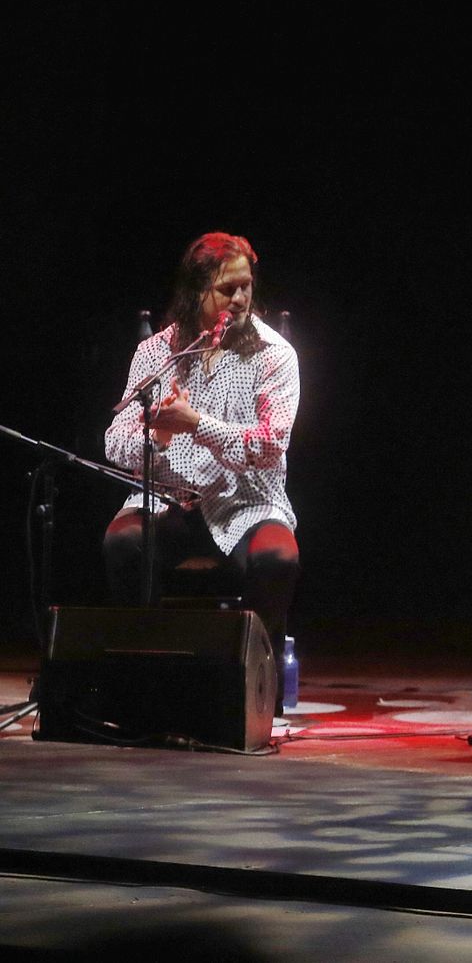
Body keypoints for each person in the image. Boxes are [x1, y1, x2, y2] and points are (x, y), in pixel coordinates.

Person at [103, 232, 301, 711]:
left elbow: (271, 446)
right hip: (170, 500)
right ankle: (143, 681)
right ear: (195, 292)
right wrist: (160, 437)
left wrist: (198, 425)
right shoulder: (157, 354)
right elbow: (113, 443)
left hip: (246, 502)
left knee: (279, 558)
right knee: (122, 542)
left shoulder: (275, 355)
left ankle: (256, 695)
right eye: (226, 289)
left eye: (245, 287)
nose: (239, 299)